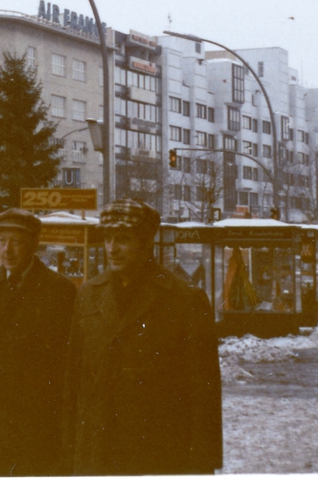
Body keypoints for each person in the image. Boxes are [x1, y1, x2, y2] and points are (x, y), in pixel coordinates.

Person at [63, 199, 222, 475]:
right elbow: (74, 380)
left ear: (147, 242)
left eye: (123, 239)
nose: (112, 248)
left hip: (159, 453)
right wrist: (69, 455)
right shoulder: (89, 294)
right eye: (108, 238)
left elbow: (203, 392)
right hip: (97, 452)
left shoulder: (185, 299)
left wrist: (202, 464)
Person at [0, 209, 76, 476]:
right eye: (2, 241)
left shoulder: (59, 290)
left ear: (34, 245)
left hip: (39, 423)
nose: (6, 250)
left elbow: (67, 365)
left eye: (16, 242)